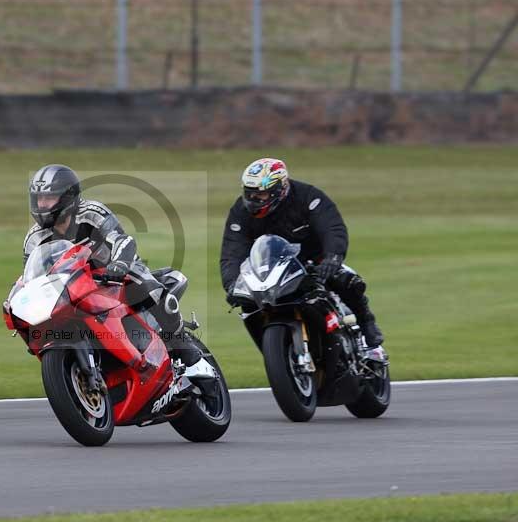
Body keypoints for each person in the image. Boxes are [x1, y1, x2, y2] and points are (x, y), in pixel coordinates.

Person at [23, 164, 214, 376]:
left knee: (152, 291)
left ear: (68, 196)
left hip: (115, 274)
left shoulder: (91, 212)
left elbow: (123, 240)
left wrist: (119, 265)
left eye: (48, 198)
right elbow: (33, 277)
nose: (42, 204)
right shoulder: (34, 239)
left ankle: (190, 356)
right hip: (75, 289)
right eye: (38, 198)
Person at [220, 157, 384, 348]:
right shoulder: (240, 211)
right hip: (272, 269)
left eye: (261, 194)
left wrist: (333, 257)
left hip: (312, 261)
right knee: (248, 304)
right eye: (249, 193)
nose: (253, 200)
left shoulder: (308, 197)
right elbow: (232, 250)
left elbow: (332, 227)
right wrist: (232, 284)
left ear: (279, 189)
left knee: (346, 279)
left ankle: (366, 322)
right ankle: (272, 347)